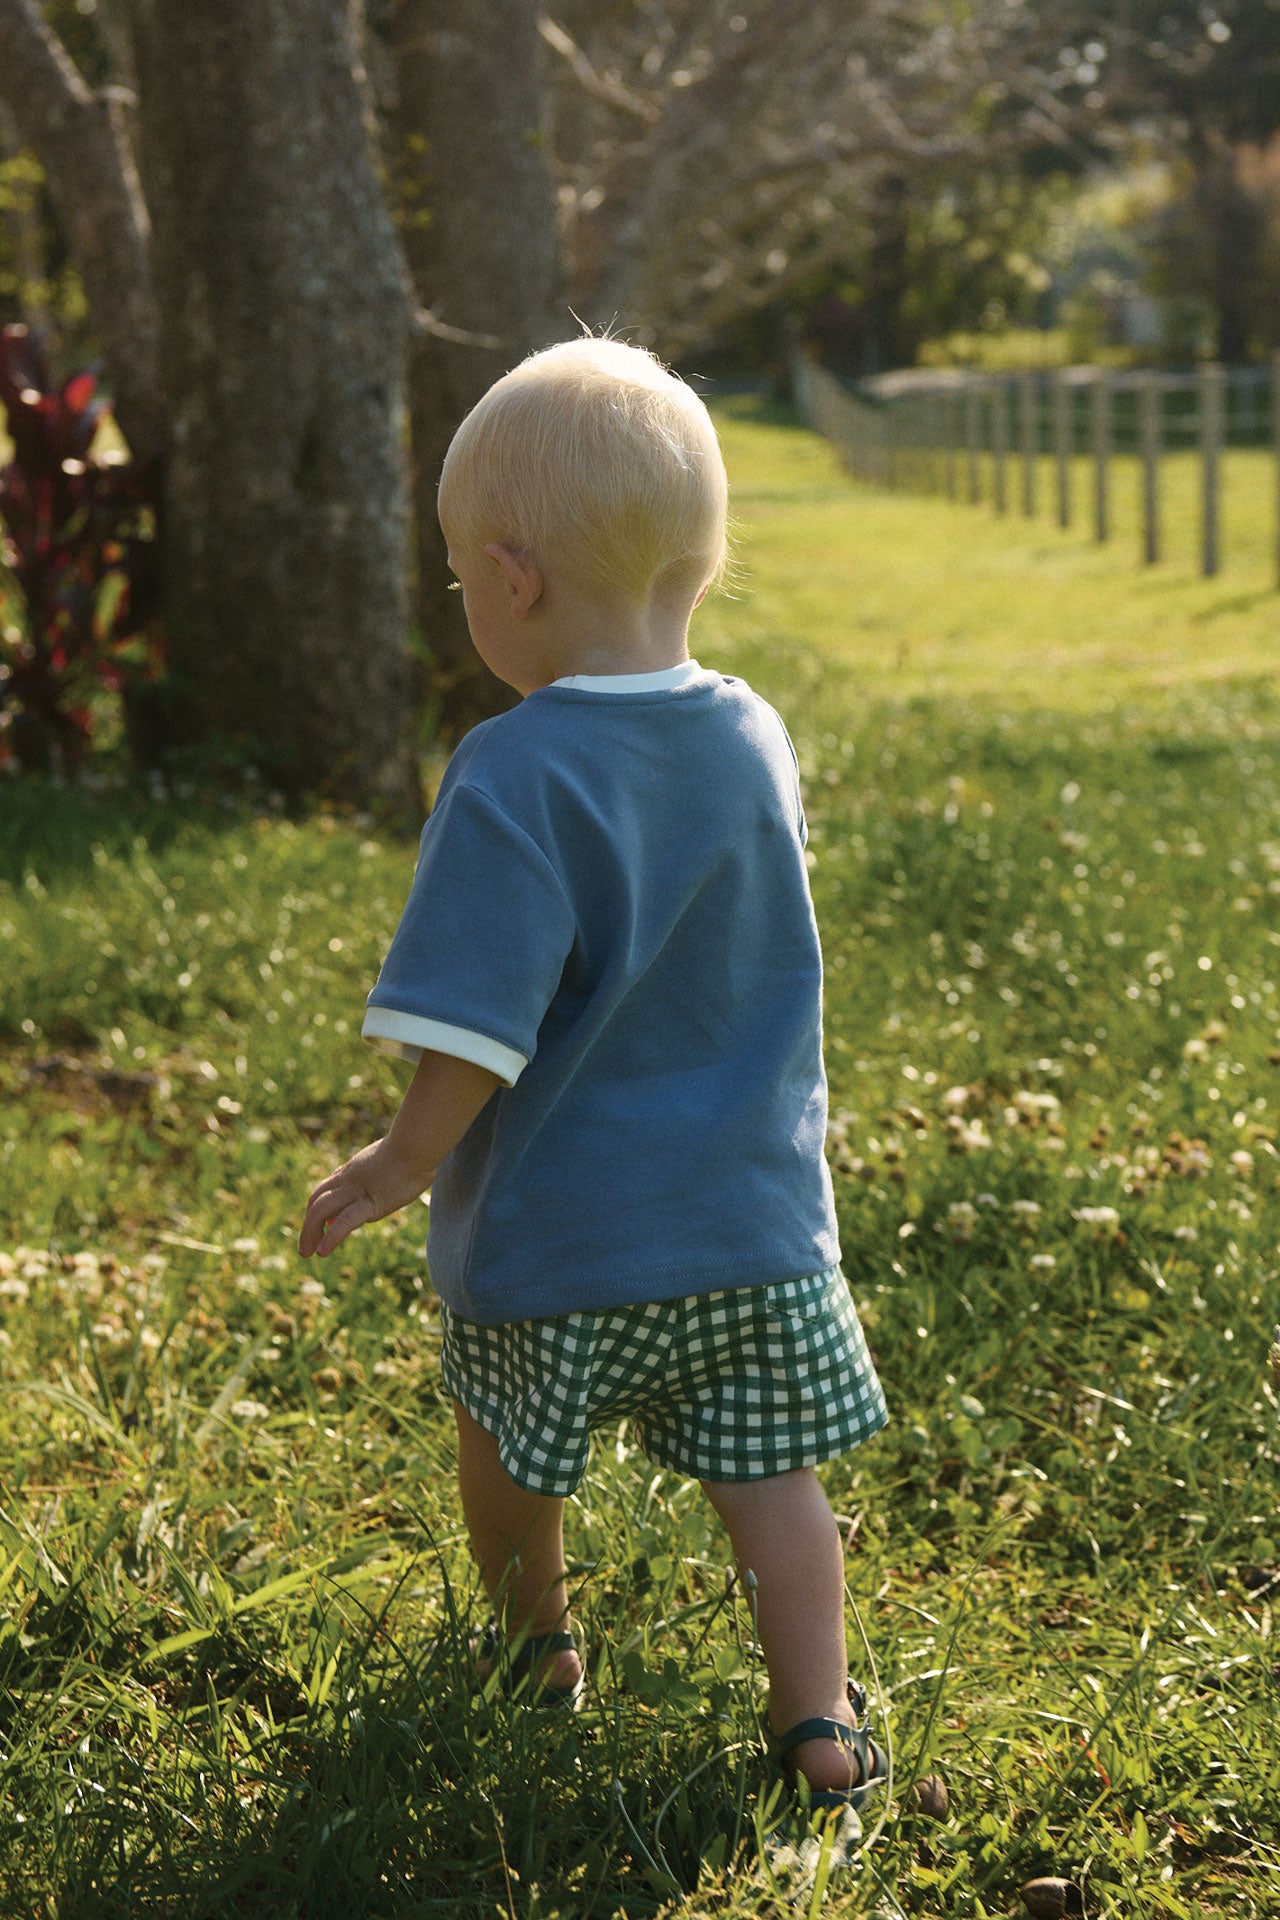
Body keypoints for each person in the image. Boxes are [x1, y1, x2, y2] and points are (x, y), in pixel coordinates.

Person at [298, 337, 889, 1819]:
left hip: (561, 1248)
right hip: (754, 1233)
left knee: (509, 1453)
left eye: (458, 581)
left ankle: (540, 1650)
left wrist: (403, 1157)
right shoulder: (753, 735)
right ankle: (818, 1717)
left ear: (510, 581)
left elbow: (475, 1016)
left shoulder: (513, 771)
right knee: (775, 1483)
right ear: (703, 558)